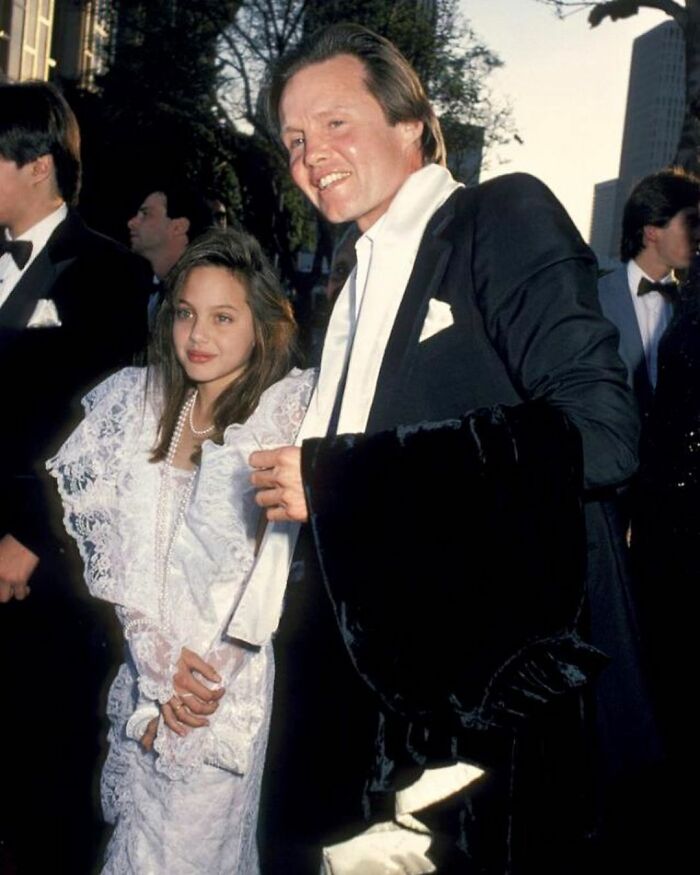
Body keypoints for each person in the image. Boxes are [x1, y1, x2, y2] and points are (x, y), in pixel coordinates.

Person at [180, 24, 654, 873]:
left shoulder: (496, 215)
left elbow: (603, 435)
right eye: (291, 139)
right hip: (350, 704)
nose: (308, 153)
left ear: (410, 122)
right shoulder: (352, 276)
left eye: (333, 122)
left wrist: (344, 477)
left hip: (472, 721)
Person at [47, 228, 313, 873]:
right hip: (147, 669)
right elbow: (117, 554)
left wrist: (195, 686)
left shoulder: (282, 416)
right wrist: (156, 661)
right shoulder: (137, 404)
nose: (199, 334)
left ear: (263, 327)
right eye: (187, 313)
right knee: (137, 846)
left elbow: (263, 576)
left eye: (224, 317)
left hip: (223, 686)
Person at [0, 79, 151, 873]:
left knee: (40, 797)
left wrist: (28, 539)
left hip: (42, 584)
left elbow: (100, 430)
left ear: (37, 163)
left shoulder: (112, 277)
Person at [598, 168, 700, 422]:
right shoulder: (593, 298)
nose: (698, 235)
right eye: (690, 222)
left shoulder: (691, 307)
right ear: (652, 230)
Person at [127, 183, 214, 325]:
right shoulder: (146, 290)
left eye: (145, 214)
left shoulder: (204, 293)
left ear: (177, 227)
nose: (131, 223)